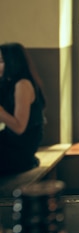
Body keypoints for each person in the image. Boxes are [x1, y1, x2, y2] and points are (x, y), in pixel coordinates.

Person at [0, 42, 47, 175]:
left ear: (12, 62)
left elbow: (19, 128)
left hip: (20, 148)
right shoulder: (8, 82)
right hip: (10, 141)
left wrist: (1, 113)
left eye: (1, 61)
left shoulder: (23, 85)